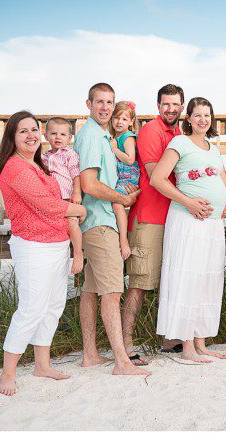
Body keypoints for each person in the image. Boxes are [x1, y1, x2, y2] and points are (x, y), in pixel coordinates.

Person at [0, 111, 87, 396]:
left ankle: (42, 365)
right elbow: (46, 204)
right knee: (31, 308)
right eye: (23, 131)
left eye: (34, 129)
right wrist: (78, 209)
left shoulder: (37, 165)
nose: (31, 135)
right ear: (12, 137)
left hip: (57, 243)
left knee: (53, 305)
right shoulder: (15, 167)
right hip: (33, 246)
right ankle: (6, 374)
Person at [150, 97, 226, 363]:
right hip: (187, 223)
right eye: (197, 115)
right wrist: (188, 202)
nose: (203, 119)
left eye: (207, 115)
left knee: (207, 280)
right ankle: (187, 346)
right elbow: (157, 179)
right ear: (188, 118)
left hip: (213, 225)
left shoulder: (213, 149)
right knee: (187, 279)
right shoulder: (179, 142)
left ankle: (201, 343)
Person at [72, 83, 149, 376]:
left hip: (95, 221)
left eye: (109, 102)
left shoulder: (104, 136)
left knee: (92, 290)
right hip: (100, 222)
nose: (105, 107)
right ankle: (122, 361)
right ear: (89, 104)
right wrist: (122, 198)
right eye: (100, 102)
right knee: (113, 292)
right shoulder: (92, 136)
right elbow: (90, 184)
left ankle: (90, 354)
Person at [122, 84, 186, 364]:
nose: (171, 109)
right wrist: (190, 194)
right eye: (166, 104)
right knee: (139, 283)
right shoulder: (150, 131)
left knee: (169, 280)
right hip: (149, 218)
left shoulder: (180, 134)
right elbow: (154, 175)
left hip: (173, 218)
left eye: (176, 104)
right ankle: (125, 344)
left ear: (182, 106)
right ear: (158, 105)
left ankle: (170, 338)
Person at [41, 117, 85, 274]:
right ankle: (54, 261)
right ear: (46, 136)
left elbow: (76, 175)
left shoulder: (69, 154)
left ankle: (78, 254)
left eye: (63, 134)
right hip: (52, 200)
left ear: (70, 138)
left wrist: (77, 192)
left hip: (68, 197)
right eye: (53, 133)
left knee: (72, 223)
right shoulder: (43, 157)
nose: (58, 137)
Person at [110, 101, 140, 260]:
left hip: (129, 176)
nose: (119, 122)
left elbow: (130, 159)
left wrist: (114, 149)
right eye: (116, 118)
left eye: (124, 119)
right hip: (121, 176)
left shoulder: (127, 137)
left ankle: (124, 240)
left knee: (116, 203)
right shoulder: (116, 136)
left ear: (131, 122)